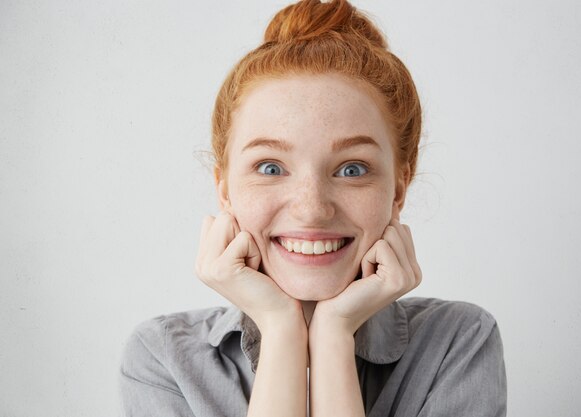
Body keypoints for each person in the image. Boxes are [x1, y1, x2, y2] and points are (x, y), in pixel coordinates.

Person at [119, 0, 507, 416]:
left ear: (398, 190)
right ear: (225, 190)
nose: (311, 209)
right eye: (270, 167)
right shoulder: (163, 358)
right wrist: (280, 327)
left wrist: (334, 336)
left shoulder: (458, 341)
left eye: (352, 169)